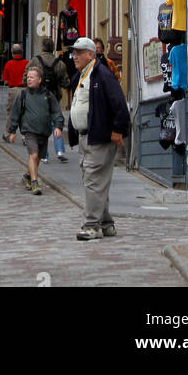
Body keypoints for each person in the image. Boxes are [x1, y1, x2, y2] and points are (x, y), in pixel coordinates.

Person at [67, 37, 130, 241]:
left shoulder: (102, 74)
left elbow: (119, 103)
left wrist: (118, 130)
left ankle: (91, 225)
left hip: (100, 137)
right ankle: (107, 224)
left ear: (90, 54)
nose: (74, 56)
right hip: (86, 137)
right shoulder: (81, 75)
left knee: (93, 180)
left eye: (79, 52)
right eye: (74, 52)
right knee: (94, 181)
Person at [7, 64, 64, 195]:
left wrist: (59, 126)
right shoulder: (23, 95)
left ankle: (27, 176)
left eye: (32, 77)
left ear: (39, 79)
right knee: (33, 155)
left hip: (44, 131)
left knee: (38, 158)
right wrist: (12, 131)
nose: (29, 79)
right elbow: (15, 113)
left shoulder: (48, 95)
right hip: (29, 131)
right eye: (28, 77)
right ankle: (34, 183)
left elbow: (56, 112)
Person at [30, 37, 70, 162]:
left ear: (42, 48)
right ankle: (59, 150)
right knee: (56, 123)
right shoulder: (60, 63)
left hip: (39, 97)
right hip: (54, 97)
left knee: (42, 125)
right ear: (53, 48)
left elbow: (27, 77)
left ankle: (44, 154)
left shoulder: (35, 61)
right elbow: (65, 83)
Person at [2, 43, 29, 136]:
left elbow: (5, 80)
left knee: (11, 112)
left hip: (13, 90)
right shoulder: (27, 63)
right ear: (22, 52)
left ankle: (8, 133)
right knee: (24, 113)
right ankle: (24, 136)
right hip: (25, 90)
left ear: (12, 53)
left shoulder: (8, 64)